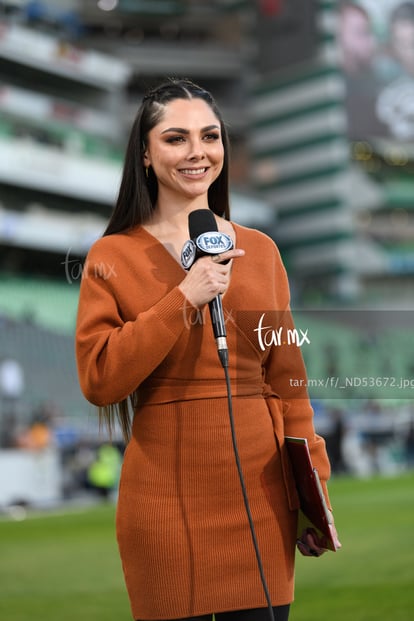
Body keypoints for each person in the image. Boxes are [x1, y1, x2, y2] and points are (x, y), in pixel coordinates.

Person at [75, 78, 340, 621]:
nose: (197, 152)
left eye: (210, 136)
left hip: (264, 499)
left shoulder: (262, 251)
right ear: (145, 156)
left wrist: (315, 494)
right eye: (176, 138)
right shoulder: (112, 254)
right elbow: (99, 379)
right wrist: (185, 296)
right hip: (164, 506)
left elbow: (290, 384)